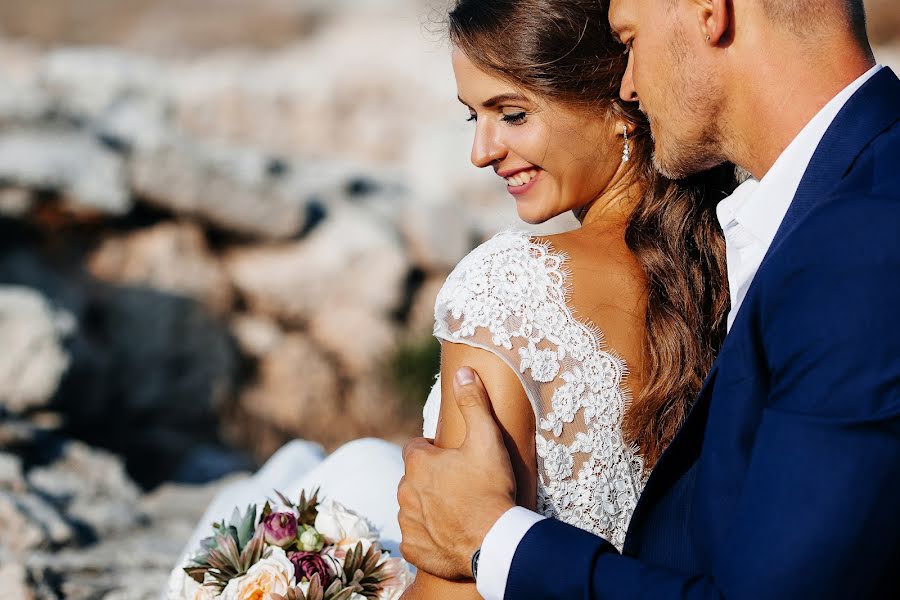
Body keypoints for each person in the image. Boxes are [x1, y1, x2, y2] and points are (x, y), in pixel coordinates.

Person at [397, 0, 900, 598]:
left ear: (712, 12)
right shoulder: (754, 239)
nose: (630, 85)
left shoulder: (857, 244)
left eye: (630, 41)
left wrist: (492, 540)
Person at [401, 0, 735, 597]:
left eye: (512, 114)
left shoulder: (506, 288)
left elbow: (453, 586)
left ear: (617, 104)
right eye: (472, 116)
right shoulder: (731, 256)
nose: (482, 151)